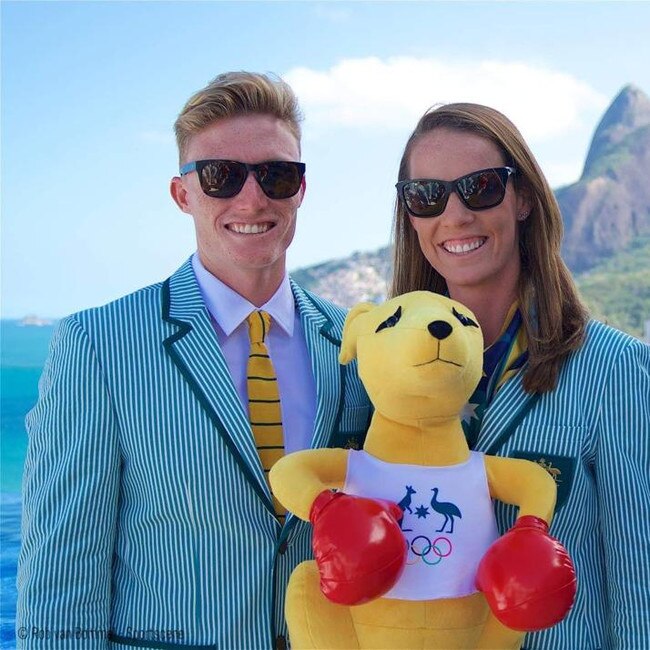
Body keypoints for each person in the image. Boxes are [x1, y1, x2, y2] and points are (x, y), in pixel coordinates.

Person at [16, 71, 371, 650]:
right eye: (222, 177)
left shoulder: (356, 344)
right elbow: (63, 563)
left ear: (301, 189)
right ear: (184, 194)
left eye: (277, 174)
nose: (252, 198)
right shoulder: (98, 346)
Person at [390, 102, 650, 649]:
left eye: (481, 187)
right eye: (428, 195)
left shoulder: (614, 370)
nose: (455, 215)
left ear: (525, 198)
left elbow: (639, 581)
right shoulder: (380, 375)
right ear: (411, 216)